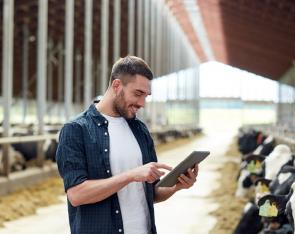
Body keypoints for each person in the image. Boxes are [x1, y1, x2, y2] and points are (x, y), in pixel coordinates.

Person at [56, 56, 199, 234]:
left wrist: (177, 186)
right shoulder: (76, 130)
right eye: (138, 94)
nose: (142, 103)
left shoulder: (140, 130)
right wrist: (130, 175)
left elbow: (150, 194)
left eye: (146, 96)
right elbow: (77, 195)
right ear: (117, 86)